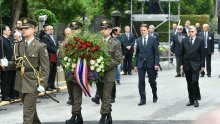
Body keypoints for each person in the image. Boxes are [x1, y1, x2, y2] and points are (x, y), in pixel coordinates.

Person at [1, 18, 49, 124]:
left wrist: (43, 84)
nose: (23, 30)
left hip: (33, 82)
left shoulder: (40, 46)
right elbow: (15, 63)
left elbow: (45, 68)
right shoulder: (18, 46)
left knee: (27, 113)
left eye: (26, 28)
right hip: (21, 82)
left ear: (33, 30)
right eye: (22, 28)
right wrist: (6, 64)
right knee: (31, 110)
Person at [97, 19, 122, 124]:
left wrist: (104, 66)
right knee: (102, 96)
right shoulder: (97, 42)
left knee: (106, 95)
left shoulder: (115, 43)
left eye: (106, 28)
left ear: (111, 30)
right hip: (98, 73)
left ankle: (103, 116)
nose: (103, 31)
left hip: (110, 73)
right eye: (102, 29)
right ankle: (109, 115)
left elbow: (118, 59)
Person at [60, 21, 84, 124]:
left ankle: (74, 116)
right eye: (72, 29)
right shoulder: (64, 43)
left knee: (77, 95)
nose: (73, 31)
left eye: (75, 29)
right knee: (72, 96)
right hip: (68, 73)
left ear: (80, 30)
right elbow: (60, 56)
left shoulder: (83, 42)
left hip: (79, 73)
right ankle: (79, 118)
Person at [134, 24, 159, 106]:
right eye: (141, 30)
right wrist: (135, 65)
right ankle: (142, 99)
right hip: (141, 64)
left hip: (151, 64)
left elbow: (156, 53)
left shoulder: (153, 40)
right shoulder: (138, 40)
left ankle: (154, 94)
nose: (142, 32)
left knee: (152, 81)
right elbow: (137, 54)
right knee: (141, 82)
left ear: (147, 30)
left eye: (144, 30)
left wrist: (156, 63)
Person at [180, 26, 205, 107]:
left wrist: (202, 66)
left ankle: (196, 99)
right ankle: (191, 99)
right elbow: (181, 53)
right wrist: (181, 64)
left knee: (194, 81)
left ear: (195, 32)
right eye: (189, 31)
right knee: (189, 83)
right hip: (187, 64)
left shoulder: (200, 40)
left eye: (192, 31)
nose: (190, 33)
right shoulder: (184, 40)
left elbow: (202, 54)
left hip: (196, 65)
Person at [42, 25, 59, 91]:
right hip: (49, 56)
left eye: (52, 29)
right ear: (46, 30)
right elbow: (47, 47)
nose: (51, 30)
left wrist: (58, 50)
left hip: (55, 56)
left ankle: (52, 85)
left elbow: (56, 45)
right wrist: (56, 50)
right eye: (50, 29)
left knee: (54, 70)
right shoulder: (45, 37)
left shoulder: (55, 37)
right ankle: (48, 85)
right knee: (49, 71)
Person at [0, 25, 13, 101]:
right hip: (4, 62)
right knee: (4, 79)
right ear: (4, 31)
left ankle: (8, 94)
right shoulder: (1, 39)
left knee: (9, 79)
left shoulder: (8, 39)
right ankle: (4, 95)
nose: (10, 31)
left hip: (10, 62)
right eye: (8, 30)